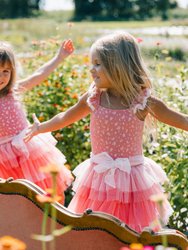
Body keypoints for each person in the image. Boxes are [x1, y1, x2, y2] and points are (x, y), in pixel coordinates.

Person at [25, 32, 188, 232]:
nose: (91, 69)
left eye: (98, 64)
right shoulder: (93, 99)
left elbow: (180, 120)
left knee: (133, 232)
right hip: (99, 178)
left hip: (132, 180)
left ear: (117, 66)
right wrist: (40, 128)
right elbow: (66, 117)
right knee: (94, 229)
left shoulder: (143, 101)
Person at [0, 39, 74, 201]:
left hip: (29, 149)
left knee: (50, 191)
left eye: (6, 71)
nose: (2, 77)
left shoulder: (14, 91)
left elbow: (39, 74)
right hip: (4, 159)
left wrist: (59, 57)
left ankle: (55, 222)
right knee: (15, 200)